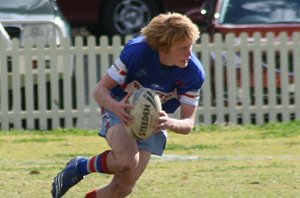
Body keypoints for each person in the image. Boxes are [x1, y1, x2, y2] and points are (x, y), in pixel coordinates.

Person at [51, 12, 205, 198]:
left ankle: (80, 167)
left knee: (121, 189)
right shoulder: (137, 52)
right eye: (183, 48)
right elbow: (100, 90)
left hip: (150, 122)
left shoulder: (193, 73)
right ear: (163, 47)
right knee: (126, 160)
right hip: (119, 108)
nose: (189, 54)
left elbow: (188, 123)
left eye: (190, 46)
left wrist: (169, 122)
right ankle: (81, 167)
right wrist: (116, 107)